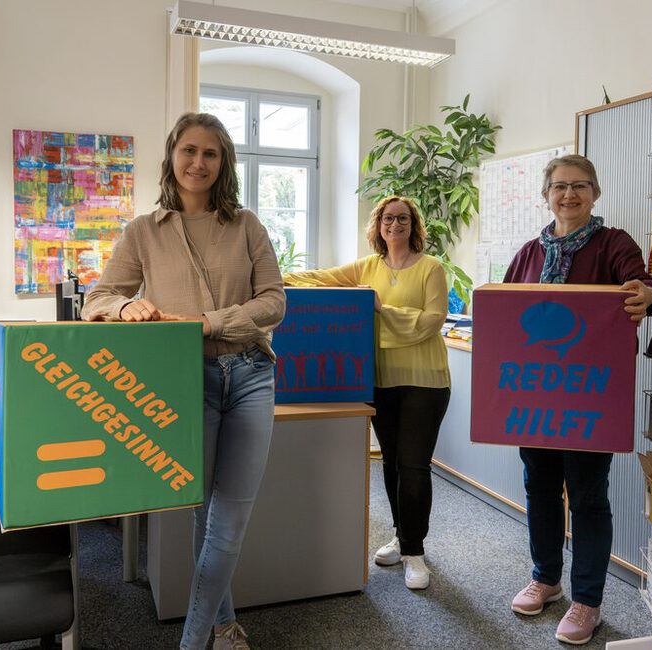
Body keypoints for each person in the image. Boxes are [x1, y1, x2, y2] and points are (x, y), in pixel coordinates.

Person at [82, 112, 285, 650]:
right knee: (204, 511)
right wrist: (124, 307)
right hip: (186, 379)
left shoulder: (247, 225)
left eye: (210, 153)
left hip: (250, 375)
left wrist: (209, 323)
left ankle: (192, 642)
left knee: (229, 520)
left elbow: (274, 302)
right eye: (189, 151)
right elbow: (97, 298)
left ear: (224, 163)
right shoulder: (143, 231)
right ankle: (223, 626)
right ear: (172, 155)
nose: (198, 162)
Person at [503, 154, 652, 645]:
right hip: (535, 396)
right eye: (560, 186)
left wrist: (647, 294)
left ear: (595, 193)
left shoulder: (614, 243)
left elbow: (644, 283)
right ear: (546, 195)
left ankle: (587, 601)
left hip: (590, 397)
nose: (569, 195)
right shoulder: (528, 253)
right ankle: (546, 579)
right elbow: (504, 308)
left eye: (580, 186)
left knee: (589, 497)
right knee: (540, 489)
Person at [283, 196, 450, 590]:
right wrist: (272, 276)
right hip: (379, 379)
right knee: (391, 462)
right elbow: (319, 278)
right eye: (388, 218)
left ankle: (414, 552)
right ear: (378, 225)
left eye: (403, 218)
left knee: (414, 465)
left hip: (425, 380)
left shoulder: (431, 267)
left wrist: (380, 308)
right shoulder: (367, 267)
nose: (395, 224)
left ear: (413, 225)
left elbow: (432, 320)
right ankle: (400, 536)